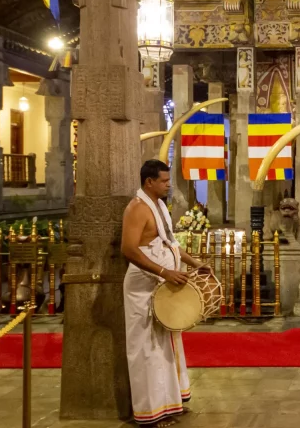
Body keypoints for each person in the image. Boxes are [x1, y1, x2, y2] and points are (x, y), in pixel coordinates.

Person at [122, 160, 207, 427]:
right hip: (143, 287)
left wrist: (194, 263)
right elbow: (129, 249)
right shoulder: (137, 209)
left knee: (166, 347)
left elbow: (168, 243)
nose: (168, 185)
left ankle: (169, 404)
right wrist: (164, 272)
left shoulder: (157, 205)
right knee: (146, 350)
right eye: (164, 181)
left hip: (161, 283)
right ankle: (149, 414)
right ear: (149, 182)